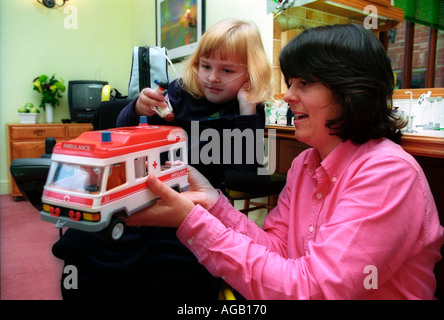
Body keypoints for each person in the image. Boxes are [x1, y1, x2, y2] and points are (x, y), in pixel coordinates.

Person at [124, 24, 444, 299]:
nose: (288, 95)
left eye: (304, 84)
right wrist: (212, 203)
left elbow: (311, 290)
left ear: (351, 90)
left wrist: (192, 221)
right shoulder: (305, 164)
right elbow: (276, 247)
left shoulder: (388, 173)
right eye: (291, 83)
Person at [52, 19, 272, 299]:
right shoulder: (178, 92)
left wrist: (246, 107)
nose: (212, 77)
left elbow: (246, 167)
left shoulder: (246, 110)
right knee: (86, 245)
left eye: (226, 70)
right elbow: (122, 133)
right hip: (141, 190)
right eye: (206, 66)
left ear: (250, 74)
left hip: (194, 205)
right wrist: (136, 108)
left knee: (184, 271)